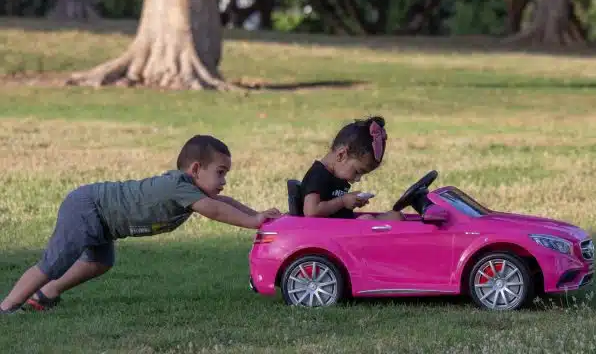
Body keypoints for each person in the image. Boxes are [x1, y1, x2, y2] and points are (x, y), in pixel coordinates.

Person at [0, 134, 282, 314]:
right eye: (220, 173)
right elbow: (216, 211)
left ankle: (45, 294)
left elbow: (226, 203)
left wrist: (256, 215)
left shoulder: (193, 190)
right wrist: (252, 222)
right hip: (89, 207)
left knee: (99, 262)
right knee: (54, 262)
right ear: (195, 169)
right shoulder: (179, 186)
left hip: (105, 221)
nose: (223, 181)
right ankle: (8, 306)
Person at [299, 115, 404, 221]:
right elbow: (311, 211)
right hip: (328, 233)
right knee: (368, 220)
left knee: (395, 216)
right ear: (341, 155)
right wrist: (343, 201)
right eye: (358, 171)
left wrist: (352, 201)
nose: (358, 179)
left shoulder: (337, 175)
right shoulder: (318, 175)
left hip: (342, 228)